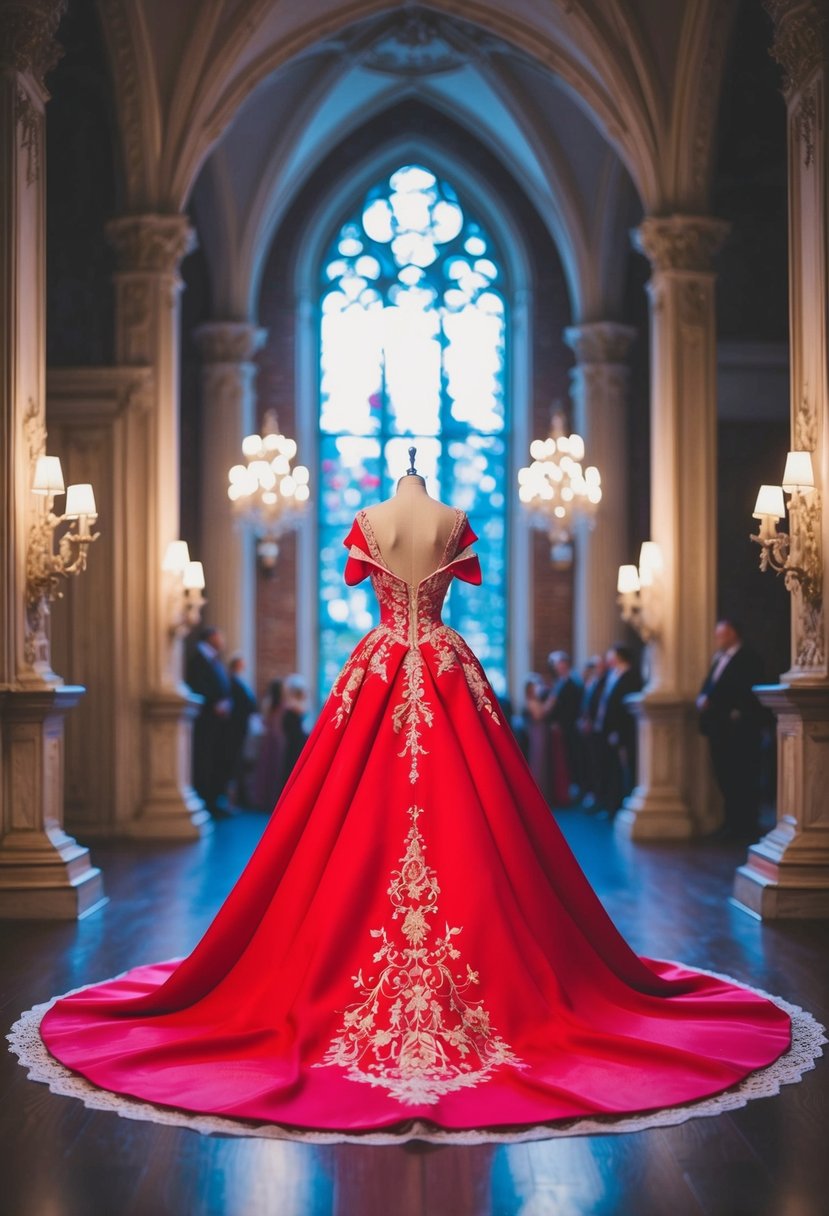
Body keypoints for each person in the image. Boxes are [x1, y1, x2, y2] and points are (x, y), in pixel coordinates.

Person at [28, 475, 795, 1142]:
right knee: (423, 817)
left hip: (381, 666)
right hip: (446, 665)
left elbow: (367, 584)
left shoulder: (375, 525)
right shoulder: (447, 525)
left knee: (411, 817)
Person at [697, 619, 764, 841]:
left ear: (733, 633)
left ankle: (744, 827)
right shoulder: (719, 658)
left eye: (722, 635)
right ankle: (730, 824)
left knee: (741, 778)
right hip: (717, 729)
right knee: (724, 779)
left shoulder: (748, 658)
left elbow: (746, 692)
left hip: (737, 731)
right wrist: (703, 699)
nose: (718, 639)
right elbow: (711, 685)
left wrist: (721, 707)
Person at [184, 625, 233, 817]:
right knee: (204, 760)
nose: (222, 640)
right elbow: (197, 685)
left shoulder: (213, 660)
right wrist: (214, 703)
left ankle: (214, 800)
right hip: (205, 720)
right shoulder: (197, 660)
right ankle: (207, 801)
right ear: (211, 637)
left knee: (215, 761)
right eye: (220, 636)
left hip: (216, 721)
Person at [594, 644, 640, 817]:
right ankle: (610, 804)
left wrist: (616, 731)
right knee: (610, 769)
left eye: (611, 656)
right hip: (607, 730)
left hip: (621, 732)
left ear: (620, 657)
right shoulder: (613, 675)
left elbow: (624, 708)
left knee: (621, 770)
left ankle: (619, 805)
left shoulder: (630, 676)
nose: (608, 660)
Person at [224, 653, 258, 808]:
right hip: (234, 729)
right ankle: (232, 800)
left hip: (241, 727)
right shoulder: (232, 682)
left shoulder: (239, 681)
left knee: (238, 762)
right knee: (233, 763)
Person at [579, 653, 608, 808]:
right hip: (589, 728)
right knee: (591, 764)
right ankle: (595, 796)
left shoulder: (604, 683)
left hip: (599, 730)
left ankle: (601, 798)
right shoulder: (593, 682)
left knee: (600, 766)